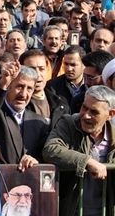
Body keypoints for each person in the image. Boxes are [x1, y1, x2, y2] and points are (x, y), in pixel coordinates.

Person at [43, 86, 115, 216]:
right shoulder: (68, 123)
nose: (86, 115)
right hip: (73, 209)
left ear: (110, 114)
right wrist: (87, 161)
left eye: (94, 112)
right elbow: (51, 149)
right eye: (84, 107)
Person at [0, 63, 49, 167]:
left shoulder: (40, 123)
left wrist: (35, 160)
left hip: (29, 180)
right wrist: (2, 85)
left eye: (29, 88)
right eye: (19, 86)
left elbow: (44, 157)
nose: (23, 94)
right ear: (9, 87)